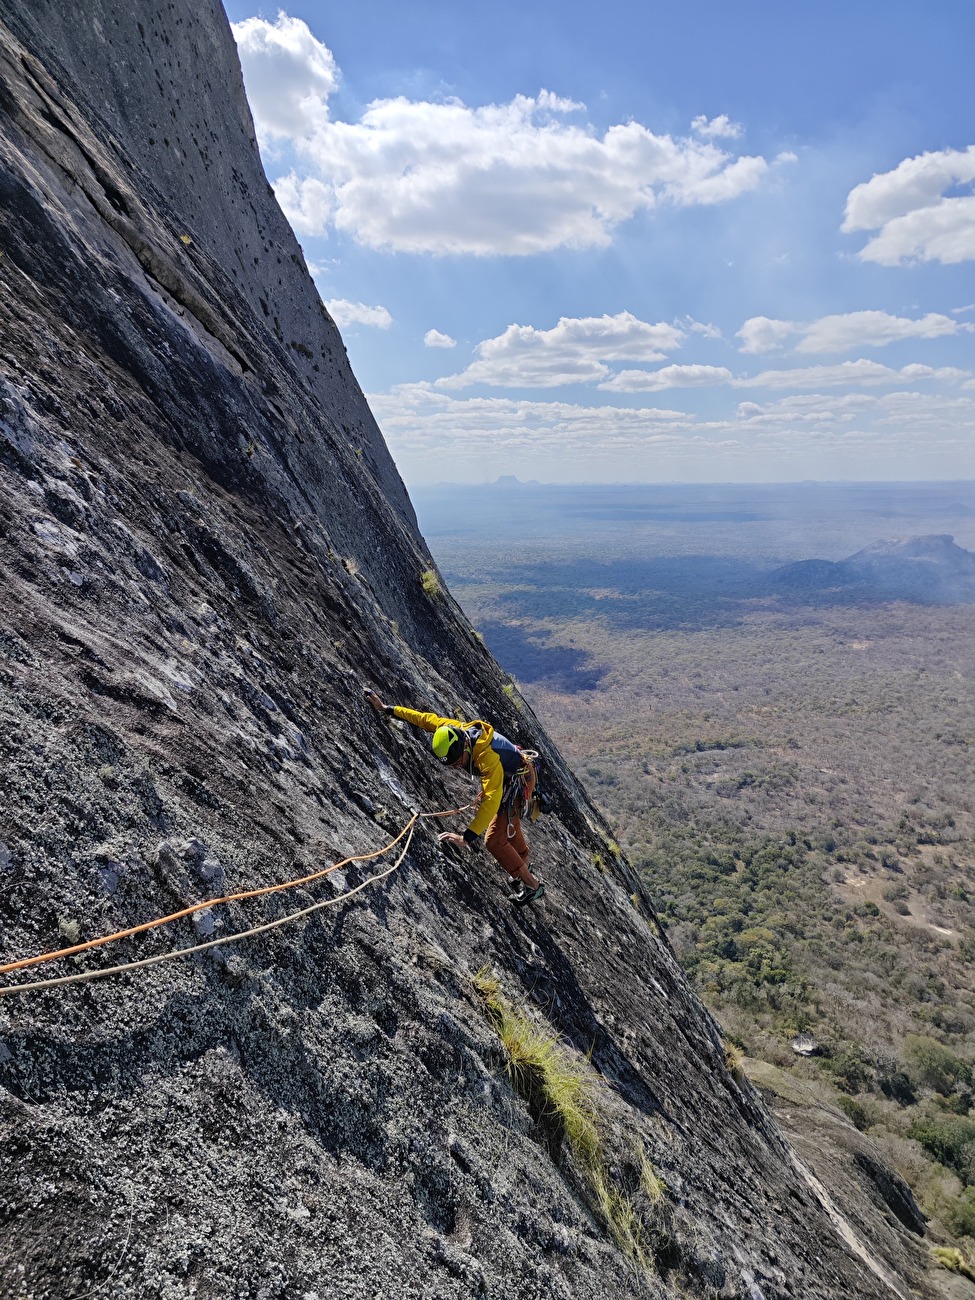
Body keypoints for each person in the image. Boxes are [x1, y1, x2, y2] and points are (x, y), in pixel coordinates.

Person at [365, 690, 545, 906]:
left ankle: (532, 887)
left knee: (494, 840)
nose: (457, 766)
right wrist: (387, 709)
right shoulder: (455, 731)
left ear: (465, 747)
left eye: (458, 761)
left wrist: (466, 838)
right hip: (511, 776)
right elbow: (425, 719)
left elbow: (492, 798)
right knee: (508, 822)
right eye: (451, 764)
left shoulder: (487, 757)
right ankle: (523, 859)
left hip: (517, 783)